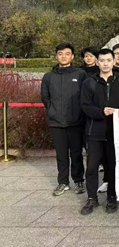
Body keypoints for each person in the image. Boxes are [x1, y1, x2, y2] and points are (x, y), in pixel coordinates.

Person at [80, 48, 119, 215]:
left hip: (115, 132)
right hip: (94, 131)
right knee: (92, 167)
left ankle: (111, 197)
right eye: (102, 60)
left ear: (114, 62)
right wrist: (101, 112)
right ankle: (91, 198)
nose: (106, 64)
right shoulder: (89, 82)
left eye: (109, 60)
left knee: (113, 166)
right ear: (97, 62)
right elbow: (85, 106)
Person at [41, 43, 87, 197]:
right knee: (61, 154)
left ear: (72, 56)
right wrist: (53, 111)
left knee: (76, 153)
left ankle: (79, 180)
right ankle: (63, 182)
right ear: (56, 56)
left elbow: (85, 96)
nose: (64, 56)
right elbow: (45, 98)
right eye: (60, 54)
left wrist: (79, 113)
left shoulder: (80, 74)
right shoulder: (49, 77)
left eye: (67, 54)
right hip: (56, 122)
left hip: (76, 121)